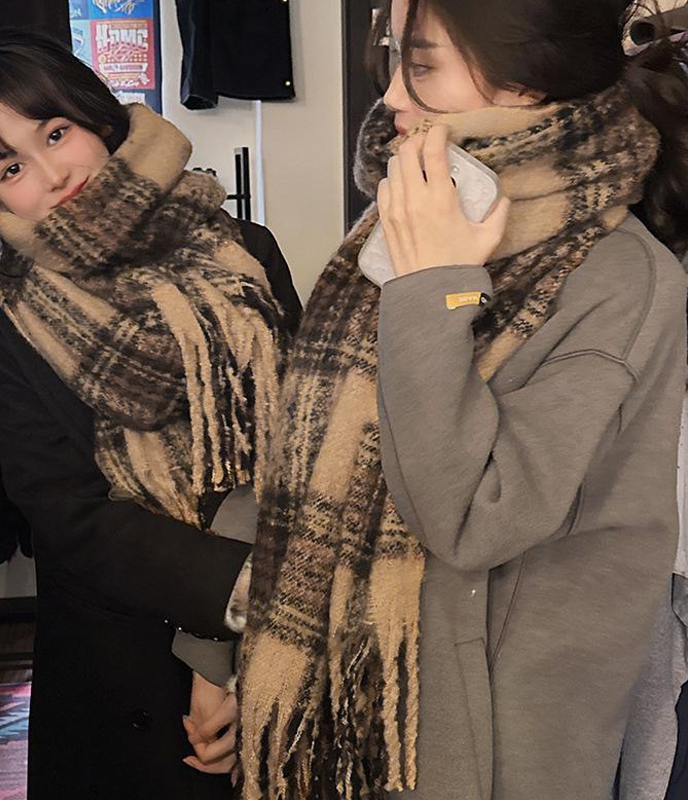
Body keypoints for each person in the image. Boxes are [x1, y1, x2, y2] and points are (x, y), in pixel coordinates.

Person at [238, 2, 688, 799]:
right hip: (351, 692)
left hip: (485, 738)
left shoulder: (619, 276)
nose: (392, 98)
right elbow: (311, 453)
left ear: (527, 77)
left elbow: (474, 516)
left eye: (421, 65)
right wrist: (227, 650)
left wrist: (432, 287)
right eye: (393, 57)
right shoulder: (427, 209)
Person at [0, 29, 301, 800]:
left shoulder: (246, 252)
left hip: (285, 633)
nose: (53, 174)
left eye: (55, 133)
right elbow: (71, 517)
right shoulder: (8, 329)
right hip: (124, 666)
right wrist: (233, 602)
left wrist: (227, 663)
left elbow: (304, 444)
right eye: (10, 167)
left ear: (98, 117)